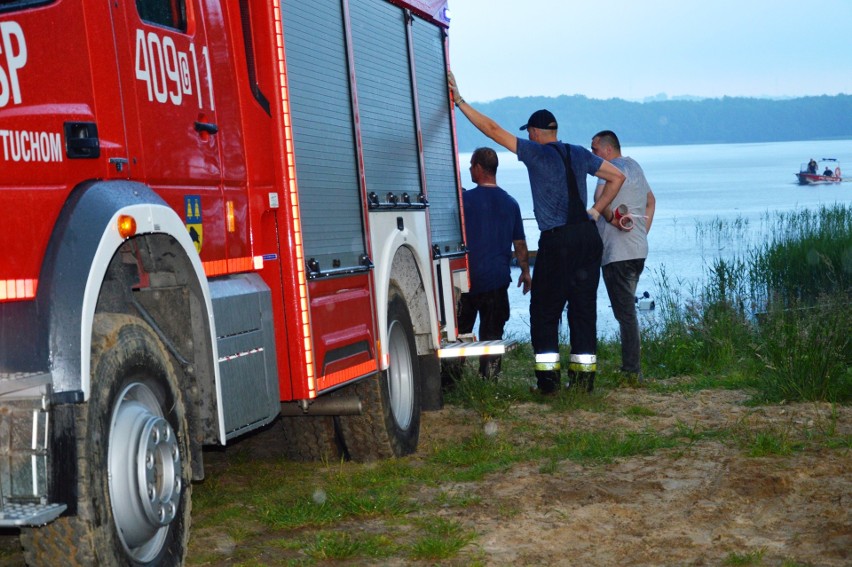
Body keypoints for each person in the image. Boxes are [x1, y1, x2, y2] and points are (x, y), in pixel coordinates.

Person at [448, 72, 625, 394]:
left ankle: (548, 384)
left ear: (533, 132)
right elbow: (616, 177)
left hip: (558, 240)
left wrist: (459, 101)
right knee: (583, 311)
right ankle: (584, 383)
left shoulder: (534, 152)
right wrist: (596, 211)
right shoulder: (578, 153)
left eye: (528, 131)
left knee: (544, 311)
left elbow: (492, 130)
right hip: (588, 238)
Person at [457, 147, 531, 379]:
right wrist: (526, 272)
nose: (469, 169)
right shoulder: (511, 203)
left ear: (479, 168)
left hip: (467, 280)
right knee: (492, 333)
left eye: (471, 165)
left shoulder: (463, 202)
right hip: (497, 280)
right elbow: (519, 243)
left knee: (459, 333)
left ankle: (451, 379)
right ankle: (489, 377)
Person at [590, 130, 656, 383]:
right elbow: (651, 201)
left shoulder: (609, 167)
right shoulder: (635, 165)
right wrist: (642, 231)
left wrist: (610, 219)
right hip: (638, 250)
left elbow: (599, 199)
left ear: (607, 149)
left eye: (595, 149)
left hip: (617, 252)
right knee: (626, 310)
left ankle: (632, 370)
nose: (592, 154)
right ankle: (631, 367)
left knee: (625, 313)